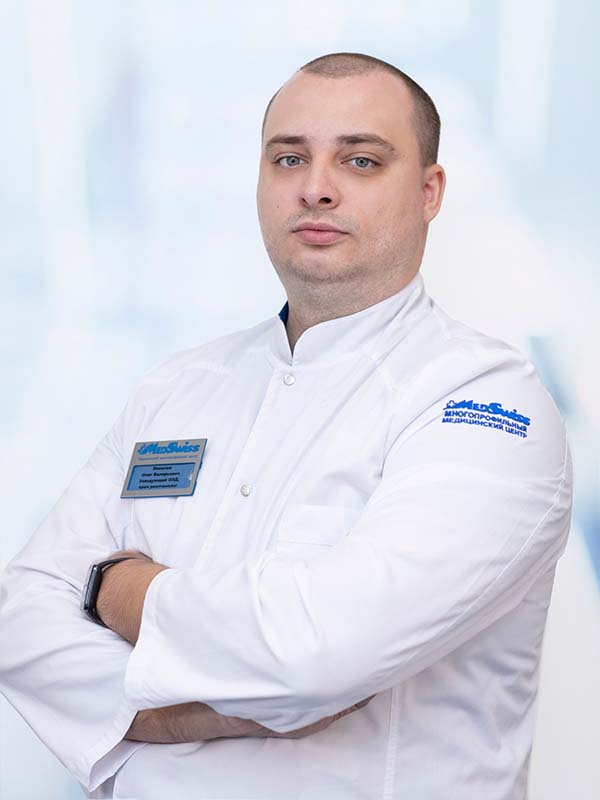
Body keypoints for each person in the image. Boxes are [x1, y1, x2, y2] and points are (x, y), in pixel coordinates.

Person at [0, 51, 572, 800]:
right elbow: (22, 619)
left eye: (361, 160)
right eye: (289, 158)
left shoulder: (486, 402)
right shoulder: (176, 387)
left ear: (429, 191)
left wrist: (114, 587)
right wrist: (180, 715)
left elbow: (319, 650)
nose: (316, 188)